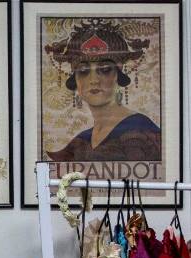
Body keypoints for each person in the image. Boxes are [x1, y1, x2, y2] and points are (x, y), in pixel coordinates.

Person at [45, 19, 161, 161]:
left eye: (105, 69)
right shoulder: (81, 141)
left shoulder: (141, 130)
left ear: (118, 76)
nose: (94, 80)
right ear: (75, 80)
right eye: (83, 71)